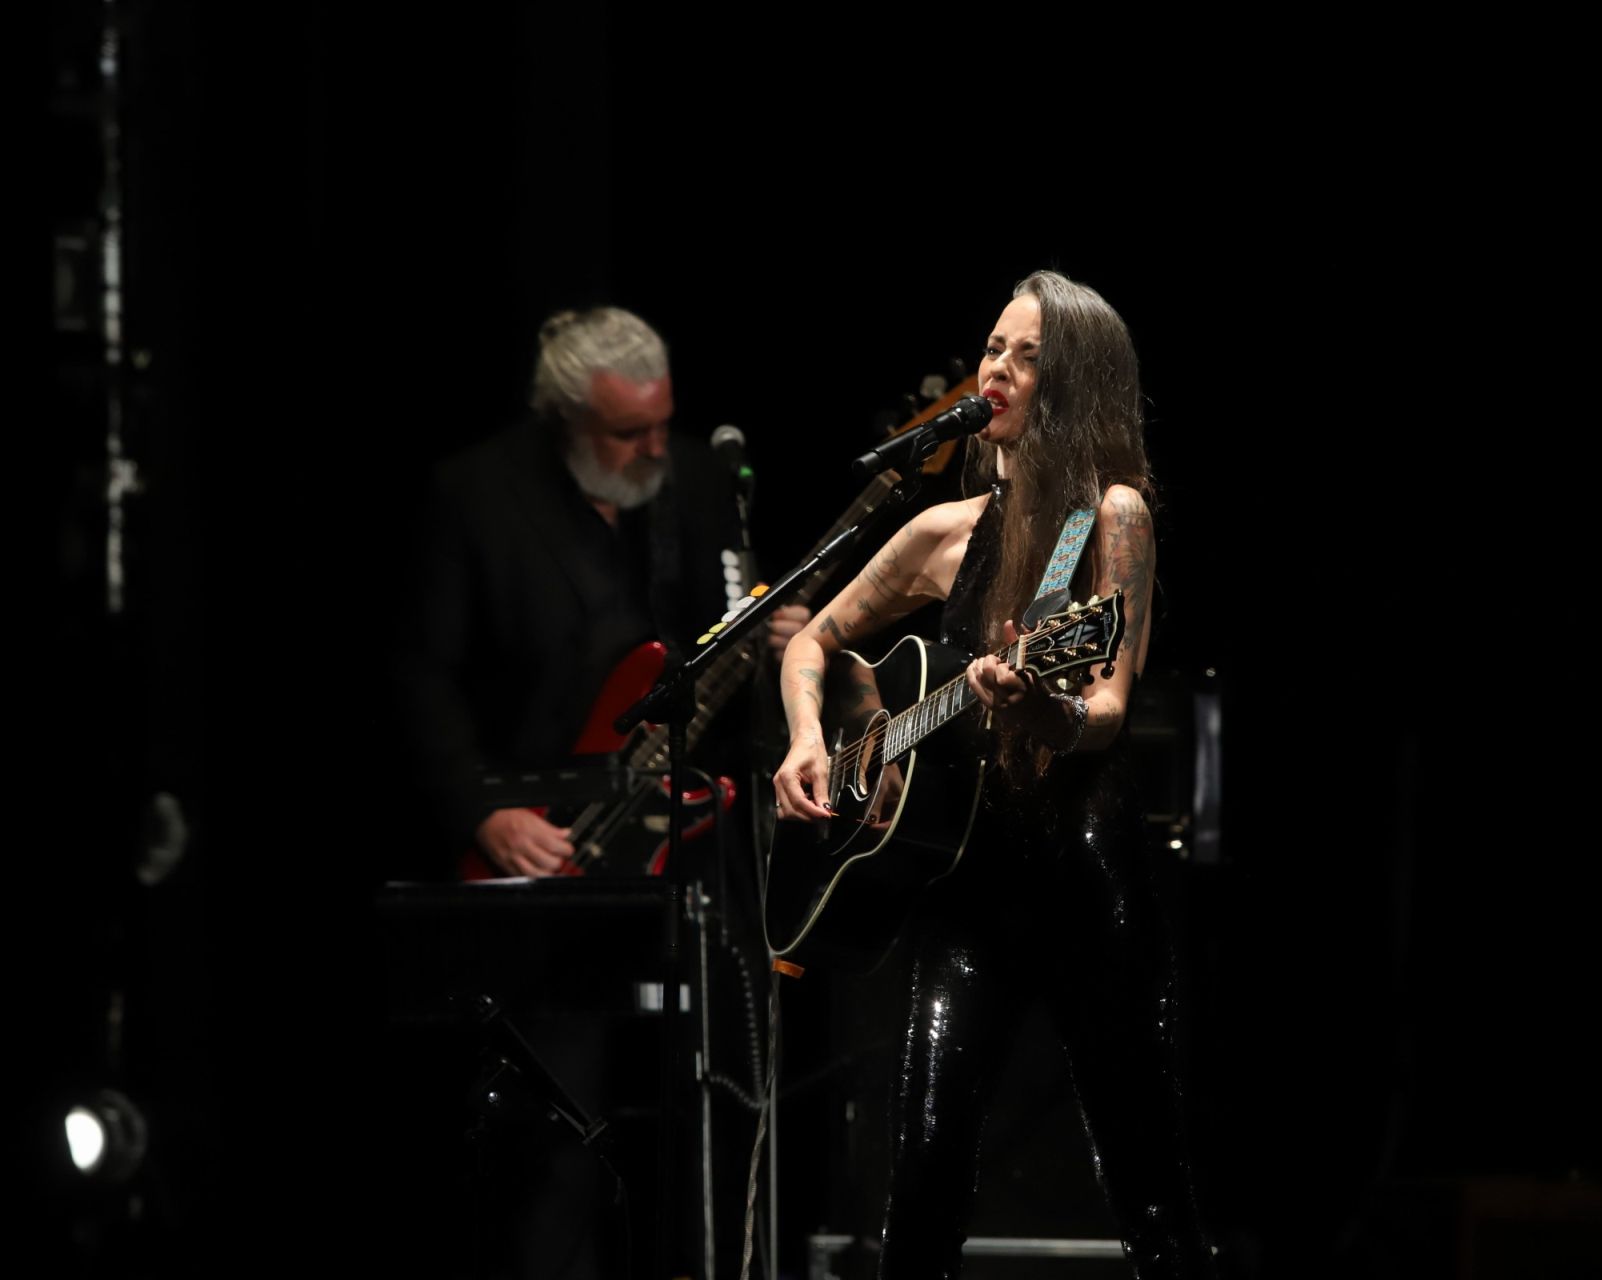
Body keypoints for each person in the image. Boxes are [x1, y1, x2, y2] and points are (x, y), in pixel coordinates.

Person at [772, 271, 1215, 1276]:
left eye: (1027, 356)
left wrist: (1036, 705)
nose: (996, 370)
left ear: (1077, 381)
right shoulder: (942, 530)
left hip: (1086, 881)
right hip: (965, 885)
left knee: (1151, 1189)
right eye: (992, 347)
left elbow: (1105, 708)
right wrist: (807, 739)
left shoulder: (1111, 517)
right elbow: (809, 641)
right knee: (922, 1178)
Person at [394, 306, 807, 878]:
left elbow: (740, 605)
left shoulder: (697, 477)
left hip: (684, 815)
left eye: (662, 424)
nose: (656, 448)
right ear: (564, 419)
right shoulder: (473, 494)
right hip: (535, 814)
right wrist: (480, 809)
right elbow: (421, 673)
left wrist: (787, 632)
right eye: (629, 433)